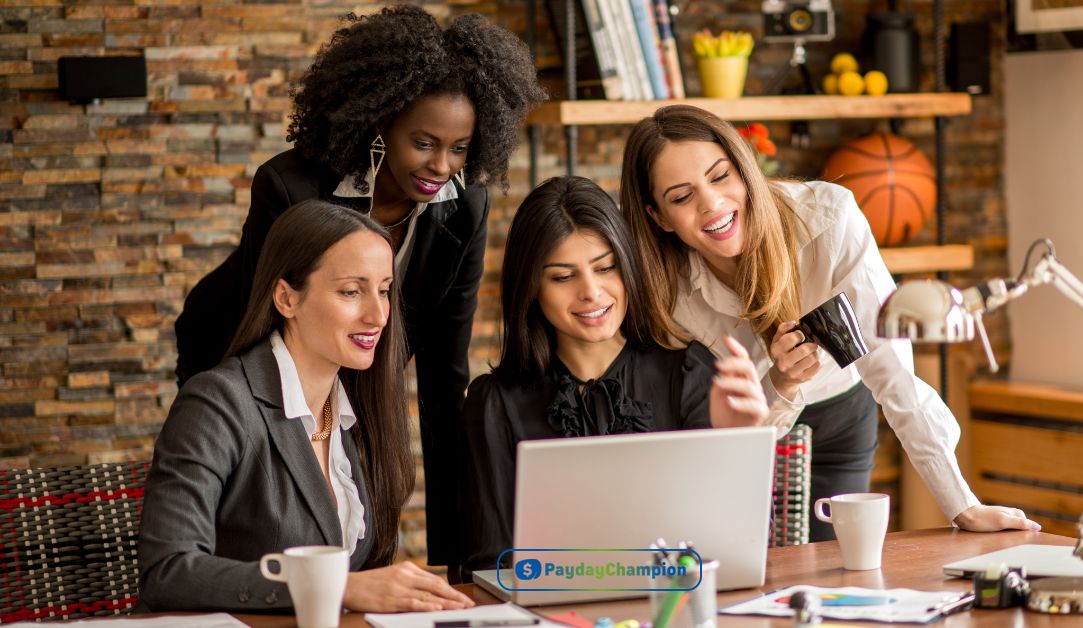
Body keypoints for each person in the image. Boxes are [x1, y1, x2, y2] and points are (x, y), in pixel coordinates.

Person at [171, 5, 545, 568]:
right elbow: (265, 330)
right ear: (380, 123)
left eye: (460, 148)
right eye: (424, 141)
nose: (441, 165)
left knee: (368, 505)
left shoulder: (465, 208)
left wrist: (458, 567)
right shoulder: (291, 187)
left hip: (363, 357)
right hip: (240, 342)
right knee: (273, 513)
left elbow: (444, 373)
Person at [618, 105, 1041, 541]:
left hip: (841, 414)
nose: (712, 204)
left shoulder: (828, 218)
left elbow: (890, 369)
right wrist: (781, 385)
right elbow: (725, 432)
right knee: (749, 560)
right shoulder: (671, 292)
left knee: (833, 570)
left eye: (720, 176)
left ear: (744, 170)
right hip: (753, 429)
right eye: (682, 197)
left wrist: (962, 505)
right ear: (658, 216)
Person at [139, 200, 475, 613]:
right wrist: (339, 588)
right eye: (352, 291)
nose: (378, 315)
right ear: (286, 298)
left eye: (384, 291)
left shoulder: (359, 407)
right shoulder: (216, 403)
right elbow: (168, 571)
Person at [459, 176, 769, 577]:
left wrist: (739, 443)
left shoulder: (689, 371)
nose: (591, 291)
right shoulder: (494, 403)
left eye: (606, 267)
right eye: (562, 276)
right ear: (532, 286)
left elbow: (739, 546)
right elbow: (488, 563)